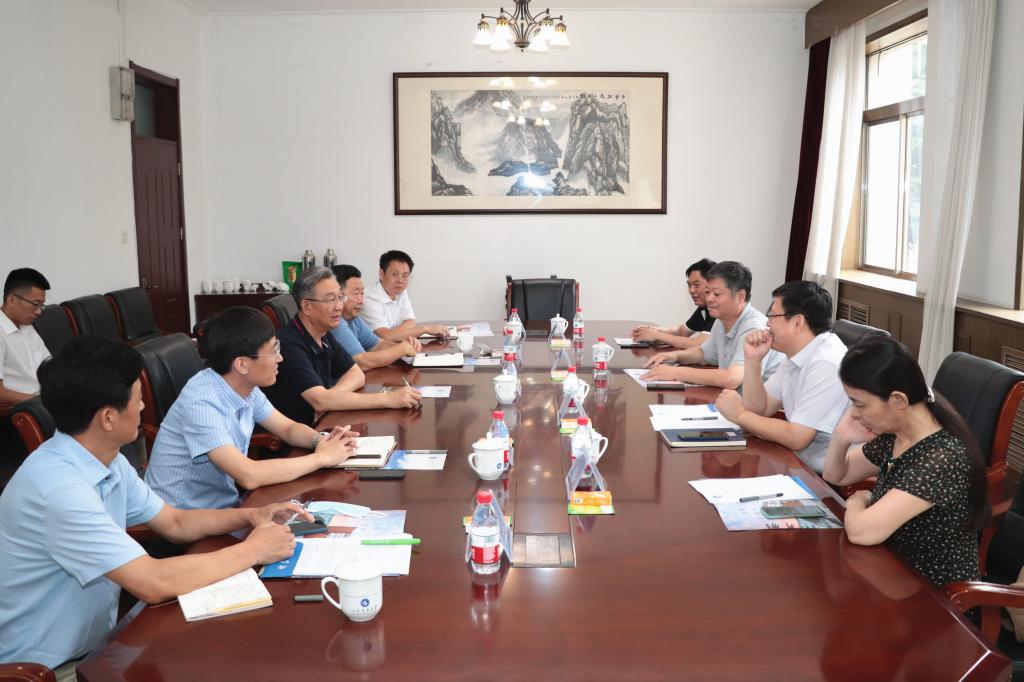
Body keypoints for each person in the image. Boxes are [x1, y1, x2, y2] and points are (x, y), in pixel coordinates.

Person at [0, 336, 307, 675]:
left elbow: (174, 522)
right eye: (137, 398)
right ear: (107, 418)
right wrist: (254, 550)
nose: (143, 406)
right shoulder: (59, 491)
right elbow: (153, 582)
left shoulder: (103, 458)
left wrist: (252, 515)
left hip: (98, 644)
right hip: (41, 669)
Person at [145, 307, 357, 510]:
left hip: (225, 507)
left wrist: (322, 440)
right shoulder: (202, 403)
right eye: (273, 352)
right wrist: (321, 458)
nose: (280, 358)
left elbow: (287, 429)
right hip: (184, 517)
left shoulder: (244, 386)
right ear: (242, 364)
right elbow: (249, 475)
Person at [822, 335, 990, 587]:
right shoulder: (896, 433)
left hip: (934, 595)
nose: (854, 413)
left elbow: (860, 532)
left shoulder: (942, 458)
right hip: (888, 572)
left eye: (860, 404)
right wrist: (841, 437)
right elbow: (837, 475)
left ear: (898, 400)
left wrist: (857, 500)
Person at [714, 281, 848, 474]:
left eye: (772, 316)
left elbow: (797, 437)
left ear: (797, 322)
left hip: (824, 478)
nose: (767, 323)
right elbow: (761, 409)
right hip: (795, 462)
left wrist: (740, 415)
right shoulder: (798, 353)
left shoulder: (826, 362)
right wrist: (753, 361)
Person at [263, 267, 421, 425]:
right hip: (300, 433)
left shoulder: (323, 333)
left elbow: (356, 373)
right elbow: (319, 401)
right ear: (306, 306)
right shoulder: (289, 344)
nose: (339, 306)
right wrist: (388, 399)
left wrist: (330, 398)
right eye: (331, 299)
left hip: (323, 422)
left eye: (340, 297)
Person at [642, 261, 782, 388]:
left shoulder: (754, 327)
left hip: (764, 406)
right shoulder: (721, 320)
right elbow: (704, 353)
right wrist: (674, 356)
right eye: (708, 292)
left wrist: (675, 372)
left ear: (740, 296)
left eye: (716, 294)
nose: (709, 299)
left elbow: (732, 378)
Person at [330, 264, 422, 371]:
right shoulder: (335, 322)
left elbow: (378, 345)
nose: (361, 301)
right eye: (356, 293)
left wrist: (406, 346)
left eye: (362, 293)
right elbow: (361, 361)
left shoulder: (354, 319)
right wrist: (402, 350)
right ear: (339, 295)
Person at [361, 250, 451, 341]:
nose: (400, 281)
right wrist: (425, 329)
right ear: (382, 274)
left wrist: (395, 334)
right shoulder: (368, 297)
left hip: (394, 346)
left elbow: (410, 322)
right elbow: (386, 337)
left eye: (405, 276)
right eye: (395, 274)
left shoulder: (400, 291)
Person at [631, 258, 716, 349]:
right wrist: (651, 330)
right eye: (689, 285)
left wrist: (656, 335)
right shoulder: (704, 308)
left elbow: (698, 344)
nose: (691, 290)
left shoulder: (718, 309)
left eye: (696, 285)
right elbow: (682, 331)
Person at [0, 267, 51, 405]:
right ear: (12, 300)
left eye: (41, 305)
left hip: (45, 399)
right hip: (24, 408)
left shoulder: (27, 326)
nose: (39, 312)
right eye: (35, 304)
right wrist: (40, 402)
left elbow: (49, 366)